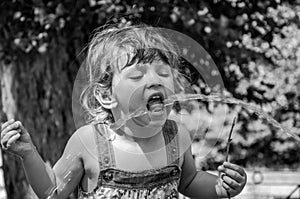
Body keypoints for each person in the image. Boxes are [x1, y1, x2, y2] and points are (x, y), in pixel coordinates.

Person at [0, 23, 247, 199]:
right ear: (107, 96)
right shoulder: (89, 142)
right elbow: (53, 192)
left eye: (163, 73)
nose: (156, 81)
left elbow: (190, 181)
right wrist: (29, 154)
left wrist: (221, 187)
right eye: (138, 75)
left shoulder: (176, 136)